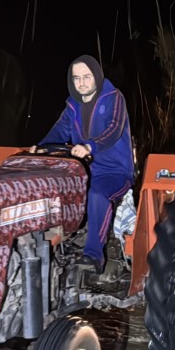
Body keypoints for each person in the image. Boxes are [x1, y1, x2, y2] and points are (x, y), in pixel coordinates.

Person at [33, 55, 133, 272]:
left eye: (86, 77)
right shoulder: (72, 105)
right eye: (77, 78)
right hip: (82, 171)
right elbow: (59, 130)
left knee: (97, 194)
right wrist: (40, 148)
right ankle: (50, 249)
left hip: (114, 172)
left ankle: (94, 256)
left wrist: (90, 147)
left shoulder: (114, 98)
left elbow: (114, 129)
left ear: (96, 76)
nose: (82, 82)